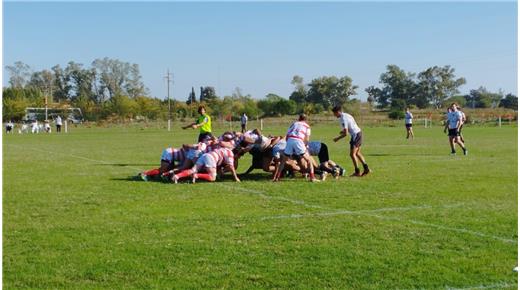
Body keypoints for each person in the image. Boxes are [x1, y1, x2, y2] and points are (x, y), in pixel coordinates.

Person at [272, 114, 318, 182]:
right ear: (306, 120)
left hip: (290, 140)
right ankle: (312, 178)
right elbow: (307, 139)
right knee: (309, 160)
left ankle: (277, 178)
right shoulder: (307, 126)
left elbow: (287, 135)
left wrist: (289, 145)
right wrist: (305, 146)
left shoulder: (294, 124)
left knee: (283, 161)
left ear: (299, 118)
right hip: (298, 140)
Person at [332, 106, 371, 177]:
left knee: (352, 154)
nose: (334, 115)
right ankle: (366, 168)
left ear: (338, 112)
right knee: (357, 153)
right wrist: (343, 131)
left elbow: (346, 133)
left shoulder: (343, 118)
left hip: (355, 135)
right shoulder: (347, 115)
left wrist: (337, 138)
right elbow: (350, 126)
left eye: (334, 114)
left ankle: (357, 172)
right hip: (359, 133)